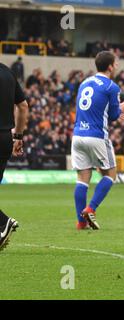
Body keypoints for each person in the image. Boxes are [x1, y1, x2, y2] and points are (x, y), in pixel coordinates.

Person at [71, 51, 124, 230]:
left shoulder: (84, 83)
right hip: (97, 136)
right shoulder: (111, 87)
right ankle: (91, 209)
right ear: (110, 66)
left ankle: (81, 222)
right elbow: (113, 115)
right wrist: (120, 109)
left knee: (82, 179)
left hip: (78, 136)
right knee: (111, 175)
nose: (117, 66)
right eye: (116, 63)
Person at [0, 62, 29, 251]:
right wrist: (18, 136)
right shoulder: (7, 72)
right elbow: (23, 106)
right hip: (4, 138)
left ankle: (3, 222)